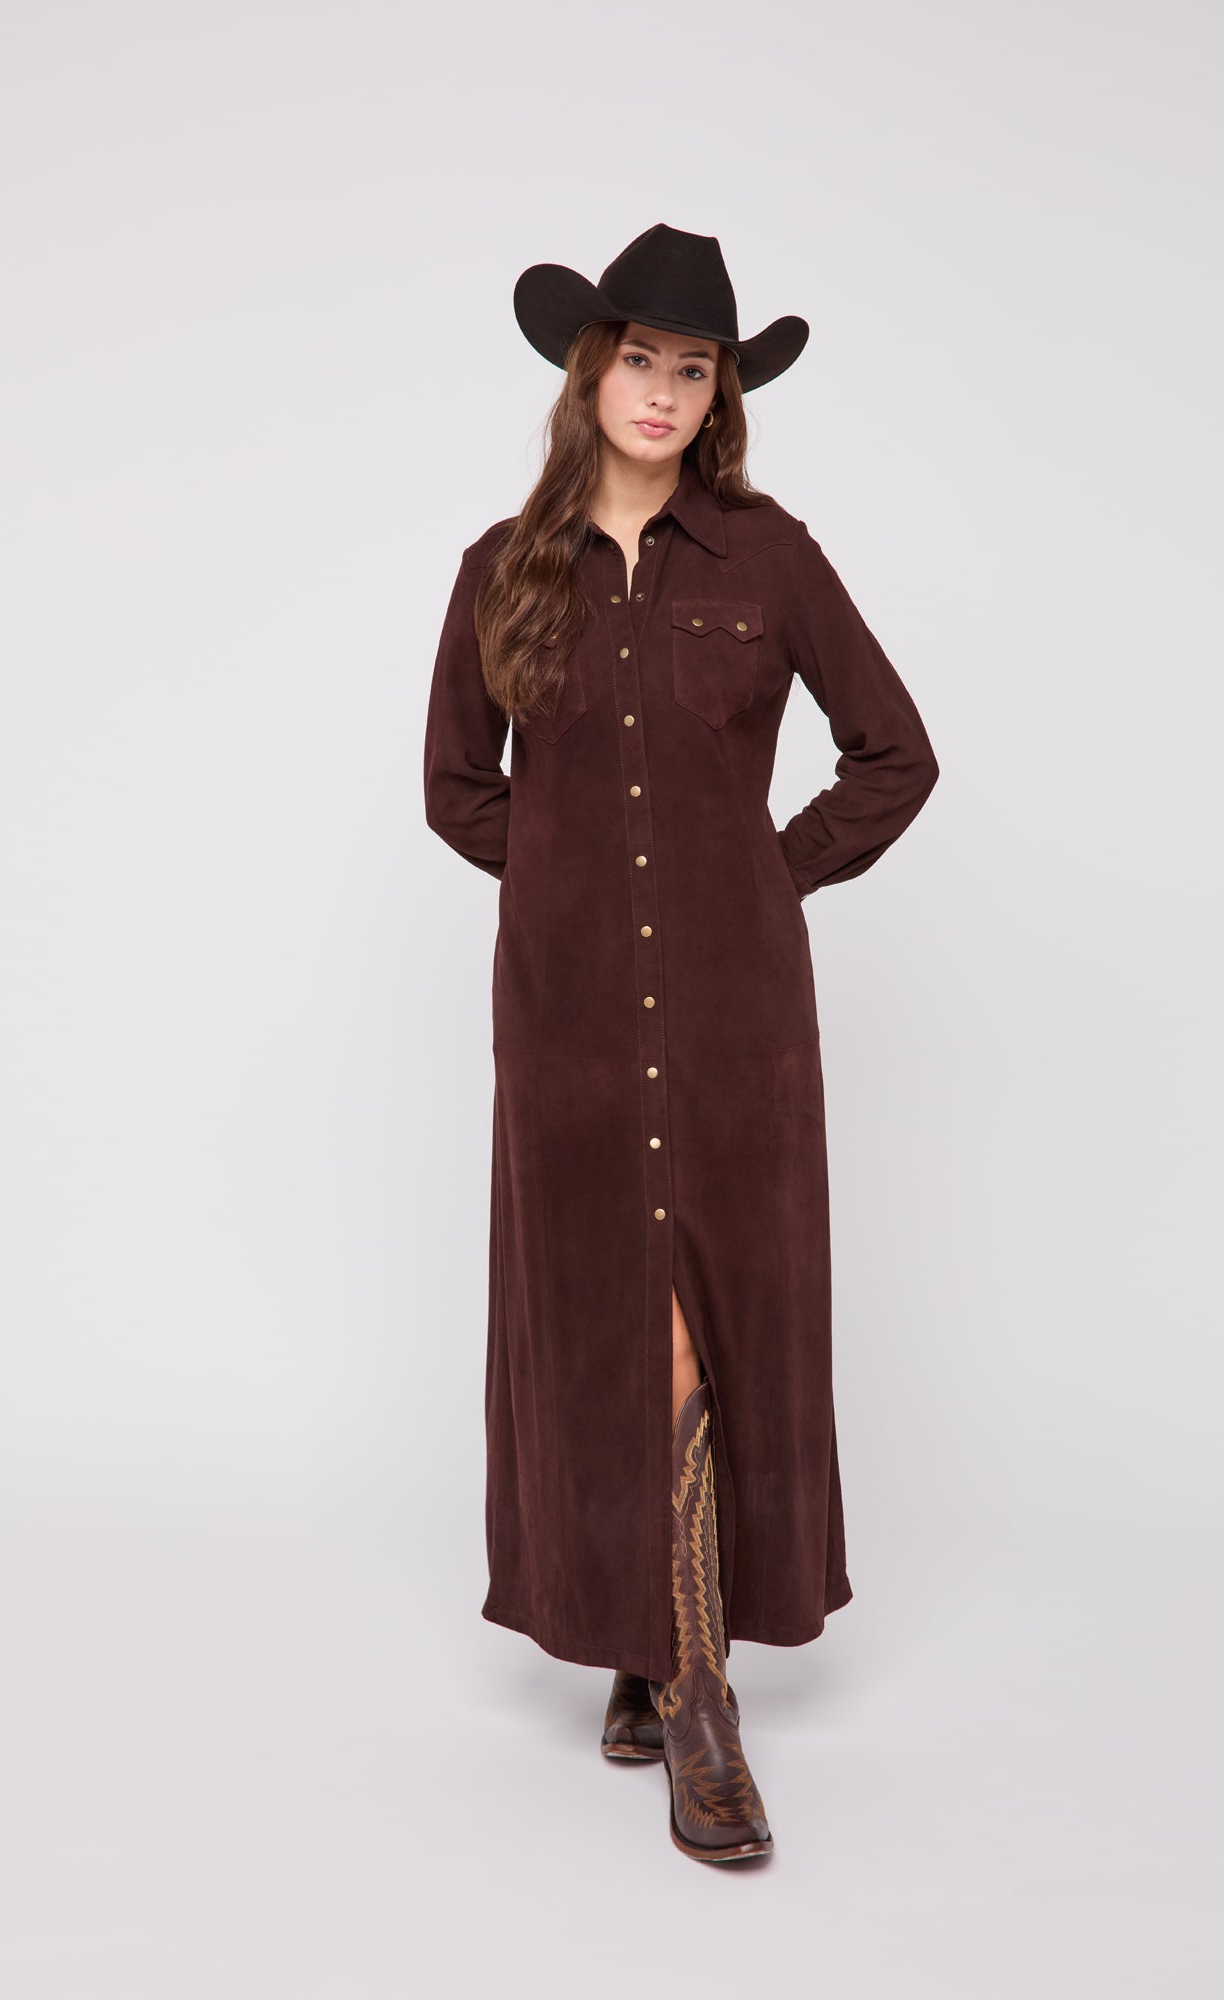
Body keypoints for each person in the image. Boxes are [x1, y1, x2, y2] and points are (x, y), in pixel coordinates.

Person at [422, 223, 940, 1864]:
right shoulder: (503, 566)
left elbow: (894, 754)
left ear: (722, 395)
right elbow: (457, 788)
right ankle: (663, 1663)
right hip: (569, 1024)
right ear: (592, 371)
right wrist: (567, 884)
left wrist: (761, 878)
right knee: (610, 1324)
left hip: (735, 1019)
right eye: (640, 357)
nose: (662, 390)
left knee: (717, 1319)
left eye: (693, 368)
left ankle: (689, 1684)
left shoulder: (767, 561)